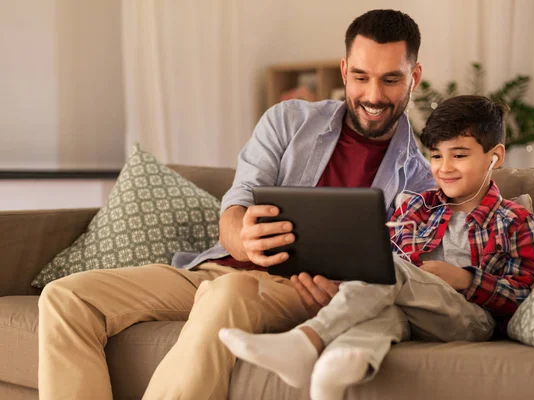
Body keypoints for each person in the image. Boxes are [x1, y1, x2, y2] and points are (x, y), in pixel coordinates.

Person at [37, 9, 435, 400]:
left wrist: (341, 294)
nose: (373, 95)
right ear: (345, 70)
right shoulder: (288, 120)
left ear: (413, 78)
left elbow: (398, 278)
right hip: (210, 270)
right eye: (362, 77)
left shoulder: (422, 180)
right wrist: (242, 237)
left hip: (291, 295)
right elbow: (236, 203)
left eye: (390, 80)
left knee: (229, 292)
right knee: (66, 297)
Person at [219, 95, 534, 400]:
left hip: (470, 320)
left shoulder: (511, 219)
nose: (445, 168)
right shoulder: (417, 206)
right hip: (411, 313)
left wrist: (466, 280)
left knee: (390, 269)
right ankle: (332, 375)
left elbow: (526, 296)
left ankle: (306, 340)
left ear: (495, 156)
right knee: (384, 300)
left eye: (459, 155)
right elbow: (380, 274)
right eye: (436, 156)